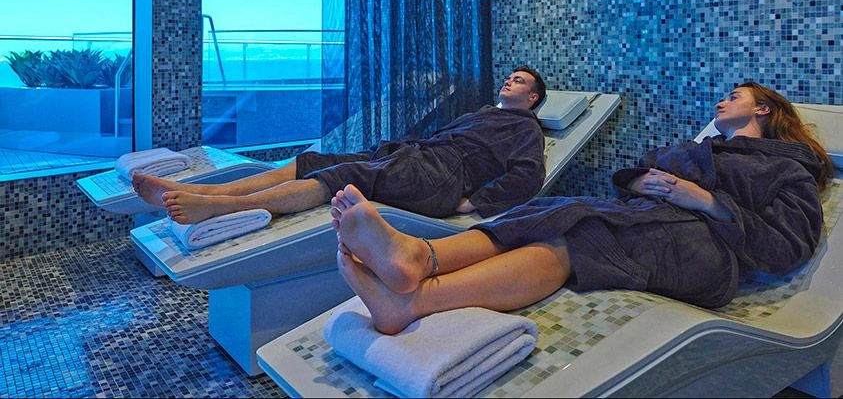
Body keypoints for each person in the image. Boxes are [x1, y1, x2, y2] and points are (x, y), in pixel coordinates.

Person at [330, 81, 834, 335]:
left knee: (581, 234)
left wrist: (702, 199)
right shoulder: (701, 149)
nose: (721, 102)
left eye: (734, 96)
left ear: (763, 109)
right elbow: (640, 170)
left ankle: (414, 303)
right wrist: (648, 180)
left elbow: (786, 247)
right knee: (550, 209)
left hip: (708, 255)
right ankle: (421, 256)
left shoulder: (786, 168)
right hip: (654, 223)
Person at [134, 66, 548, 224]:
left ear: (532, 98)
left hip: (441, 178)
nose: (508, 80)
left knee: (343, 177)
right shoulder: (485, 112)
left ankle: (224, 206)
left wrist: (473, 203)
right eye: (509, 76)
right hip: (416, 160)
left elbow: (528, 176)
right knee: (313, 159)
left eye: (519, 81)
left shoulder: (526, 129)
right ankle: (203, 190)